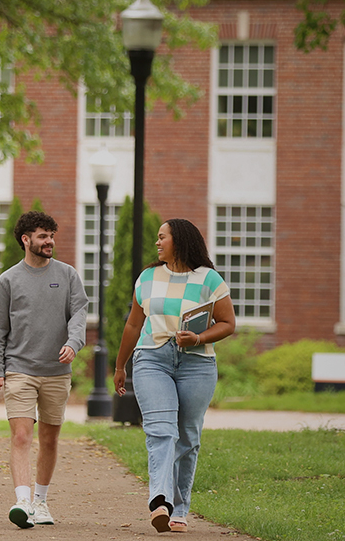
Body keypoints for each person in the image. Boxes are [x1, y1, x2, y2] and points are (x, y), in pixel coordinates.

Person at [114, 218, 236, 533]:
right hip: (152, 359)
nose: (157, 243)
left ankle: (179, 508)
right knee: (160, 431)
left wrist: (198, 338)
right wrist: (119, 365)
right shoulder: (148, 277)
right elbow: (132, 324)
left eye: (162, 237)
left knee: (188, 437)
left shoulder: (209, 279)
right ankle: (160, 501)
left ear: (179, 241)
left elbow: (227, 323)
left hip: (197, 363)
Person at [0, 211, 88, 529]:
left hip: (57, 371)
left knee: (49, 439)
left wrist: (74, 342)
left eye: (51, 235)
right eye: (43, 236)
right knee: (21, 436)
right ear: (26, 239)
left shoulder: (68, 275)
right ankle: (23, 500)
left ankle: (41, 502)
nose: (50, 242)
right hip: (20, 369)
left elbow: (79, 313)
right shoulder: (8, 280)